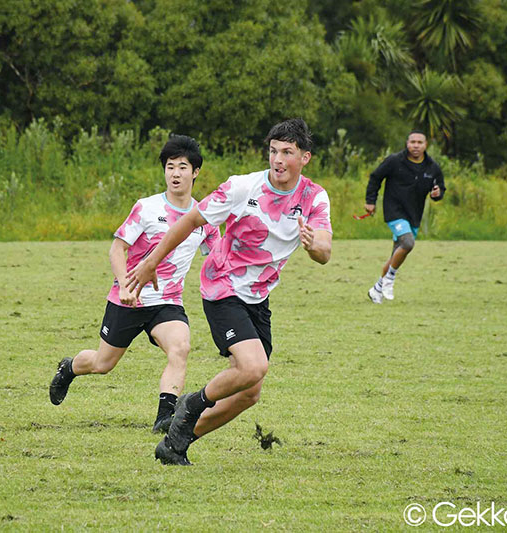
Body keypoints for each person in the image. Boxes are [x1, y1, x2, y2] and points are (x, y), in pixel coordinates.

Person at [127, 118, 332, 465]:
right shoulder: (242, 187)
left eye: (287, 152)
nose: (278, 159)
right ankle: (192, 403)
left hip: (258, 296)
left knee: (249, 393)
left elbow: (324, 250)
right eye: (273, 151)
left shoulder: (314, 196)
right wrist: (150, 264)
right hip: (222, 286)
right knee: (253, 367)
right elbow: (190, 220)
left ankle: (176, 443)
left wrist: (313, 246)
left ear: (305, 157)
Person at [49, 135, 220, 433]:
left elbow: (217, 257)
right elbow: (118, 248)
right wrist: (125, 287)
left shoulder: (203, 217)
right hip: (128, 299)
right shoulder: (146, 207)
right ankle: (69, 368)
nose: (175, 174)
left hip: (167, 302)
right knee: (103, 364)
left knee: (180, 348)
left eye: (182, 167)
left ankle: (164, 419)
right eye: (170, 167)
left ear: (195, 172)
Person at [364, 130, 445, 303]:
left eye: (420, 142)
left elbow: (440, 189)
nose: (416, 145)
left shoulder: (432, 167)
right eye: (412, 142)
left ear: (425, 145)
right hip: (394, 211)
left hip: (414, 215)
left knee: (397, 254)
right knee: (408, 243)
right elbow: (375, 177)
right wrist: (370, 201)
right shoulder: (394, 161)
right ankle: (390, 279)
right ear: (407, 143)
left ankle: (377, 289)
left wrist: (437, 194)